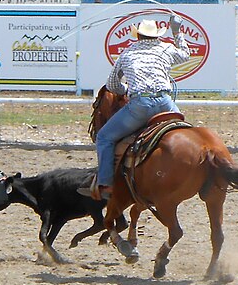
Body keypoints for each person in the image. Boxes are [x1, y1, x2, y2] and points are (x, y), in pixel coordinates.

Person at [78, 15, 190, 200]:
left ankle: (105, 184)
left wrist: (126, 90)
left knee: (105, 137)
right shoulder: (166, 49)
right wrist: (177, 31)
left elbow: (112, 85)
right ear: (157, 37)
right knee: (186, 134)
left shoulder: (127, 53)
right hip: (165, 103)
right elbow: (185, 54)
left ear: (138, 36)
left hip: (140, 105)